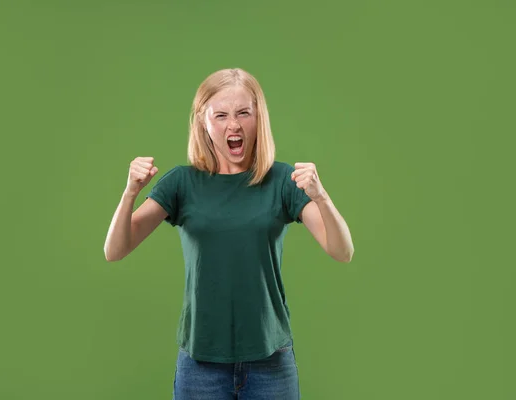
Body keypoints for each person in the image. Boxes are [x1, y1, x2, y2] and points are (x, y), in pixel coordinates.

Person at [103, 68, 354, 399]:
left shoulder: (282, 180)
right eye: (220, 115)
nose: (232, 125)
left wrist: (321, 197)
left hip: (271, 363)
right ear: (203, 122)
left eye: (243, 113)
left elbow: (342, 250)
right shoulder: (181, 183)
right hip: (201, 366)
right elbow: (115, 250)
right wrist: (129, 193)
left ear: (258, 118)